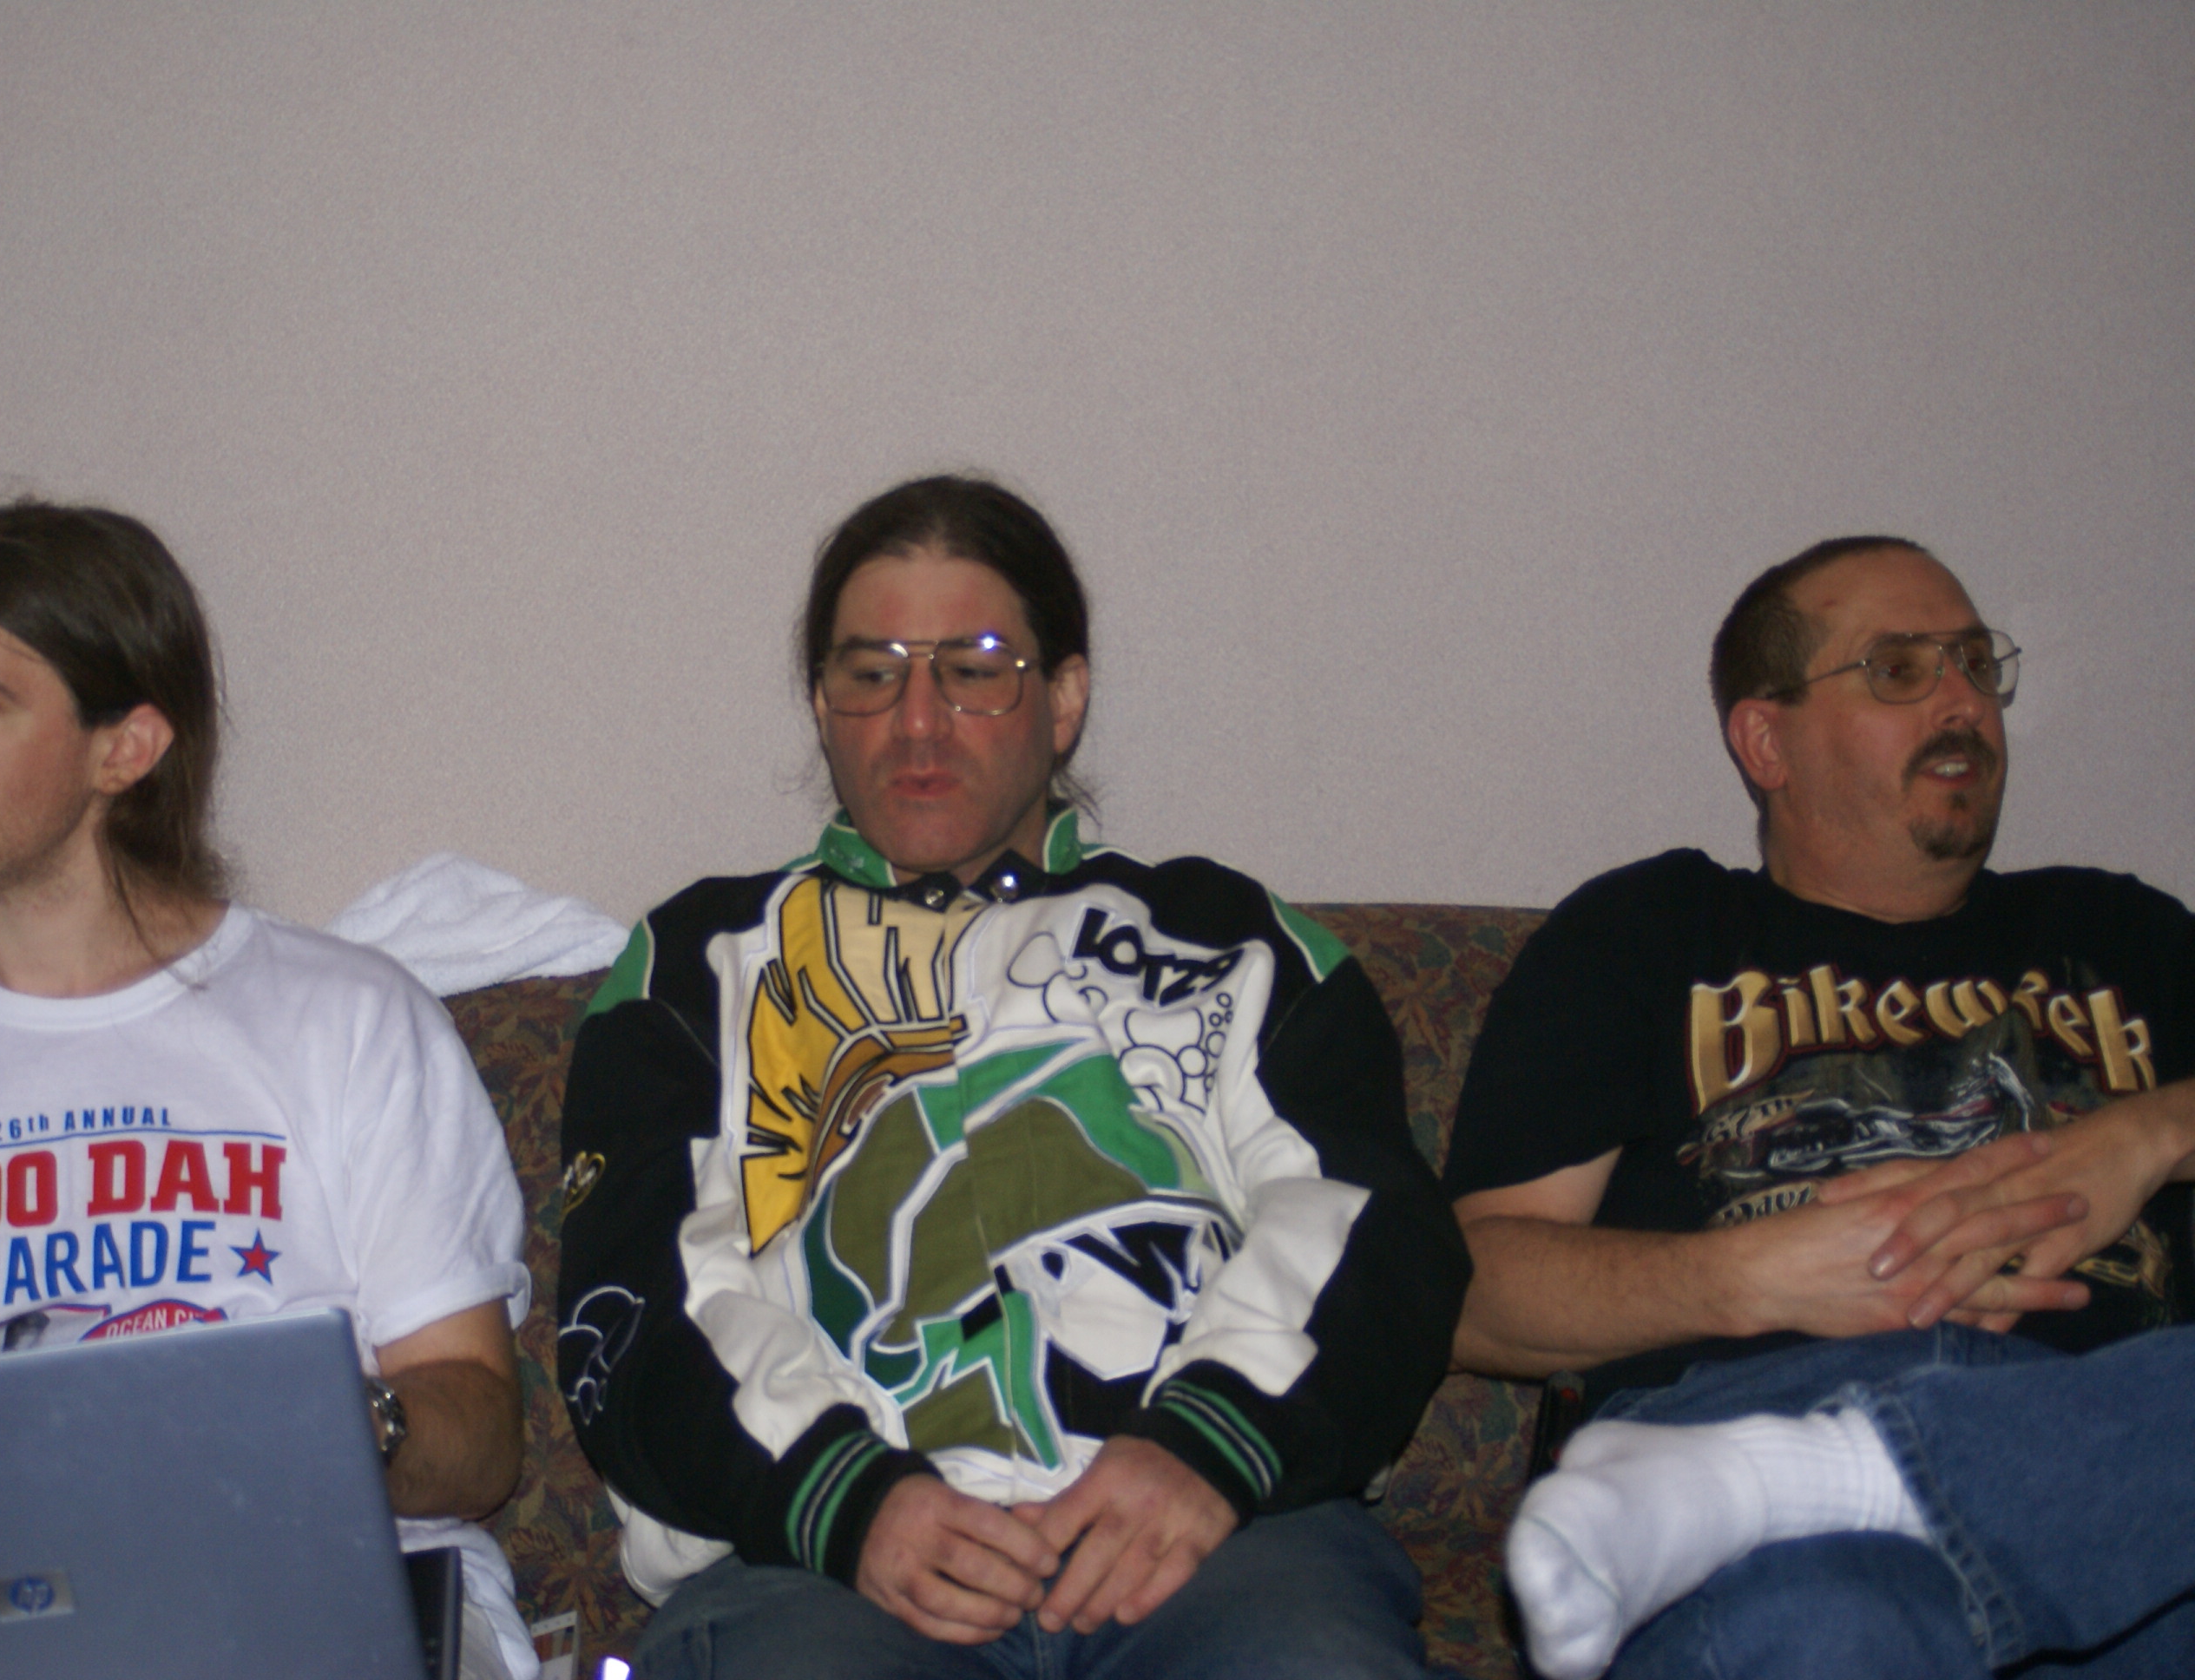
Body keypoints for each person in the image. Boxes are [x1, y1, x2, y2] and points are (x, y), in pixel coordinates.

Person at [555, 475, 1469, 1679]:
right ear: (822, 706)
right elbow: (637, 1301)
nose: (917, 722)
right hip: (818, 1569)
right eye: (871, 672)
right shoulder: (695, 967)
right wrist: (846, 1499)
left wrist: (1207, 1446)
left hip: (1216, 1544)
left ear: (1065, 697)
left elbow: (1373, 1229)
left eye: (974, 668)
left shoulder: (1236, 942)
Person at [0, 502, 539, 1680]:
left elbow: (481, 1442)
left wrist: (321, 1426)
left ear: (127, 749)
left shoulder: (350, 1022)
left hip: (325, 1590)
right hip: (11, 1628)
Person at [1442, 535, 2195, 1678]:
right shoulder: (1650, 933)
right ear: (1766, 740)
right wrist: (1748, 1277)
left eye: (1974, 662)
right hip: (1762, 1444)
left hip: (2128, 1507)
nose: (1962, 701)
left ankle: (1859, 1473)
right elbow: (1469, 1291)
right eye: (1899, 669)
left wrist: (2150, 1133)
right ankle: (1790, 1476)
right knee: (1821, 1628)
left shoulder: (2120, 931)